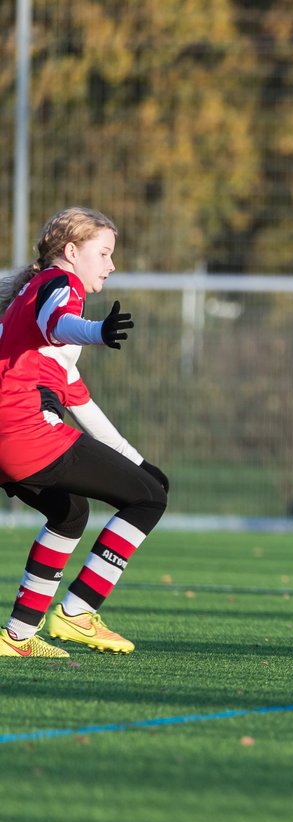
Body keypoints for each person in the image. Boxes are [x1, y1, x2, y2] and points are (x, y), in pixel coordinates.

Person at [0, 207, 167, 657]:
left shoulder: (28, 302)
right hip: (23, 430)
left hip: (6, 435)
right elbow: (60, 323)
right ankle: (77, 613)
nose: (111, 266)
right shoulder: (60, 283)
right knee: (149, 498)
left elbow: (79, 400)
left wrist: (137, 461)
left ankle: (17, 637)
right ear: (71, 252)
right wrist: (97, 330)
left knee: (70, 513)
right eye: (104, 253)